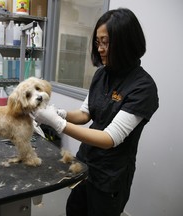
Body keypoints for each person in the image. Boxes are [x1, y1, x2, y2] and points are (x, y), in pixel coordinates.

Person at [34, 8, 159, 216]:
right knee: (74, 209)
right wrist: (61, 113)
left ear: (126, 42)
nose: (100, 49)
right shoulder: (102, 74)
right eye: (97, 42)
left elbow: (109, 138)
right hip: (86, 162)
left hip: (111, 174)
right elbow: (86, 114)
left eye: (106, 42)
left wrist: (58, 124)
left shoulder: (143, 87)